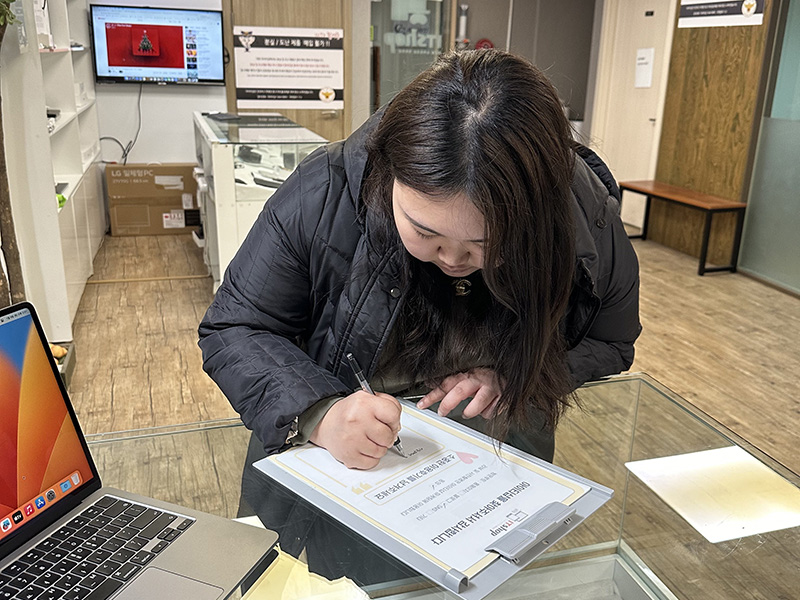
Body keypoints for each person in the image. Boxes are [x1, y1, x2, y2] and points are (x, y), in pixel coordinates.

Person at [198, 49, 640, 583]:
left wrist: (515, 375)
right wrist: (319, 412)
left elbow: (612, 341)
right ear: (390, 172)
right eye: (425, 232)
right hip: (345, 457)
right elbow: (235, 326)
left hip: (494, 467)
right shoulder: (326, 191)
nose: (453, 259)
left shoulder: (581, 213)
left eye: (486, 245)